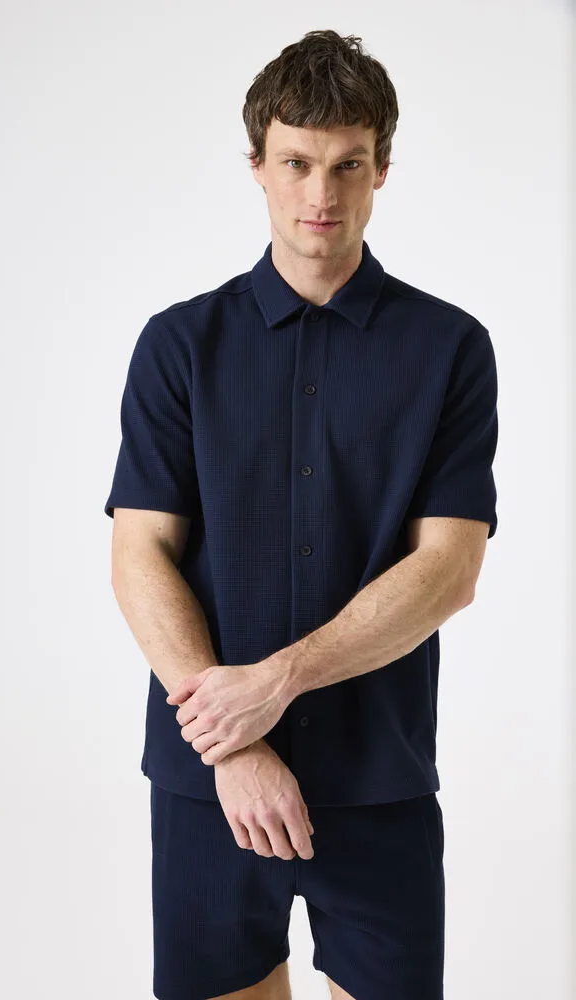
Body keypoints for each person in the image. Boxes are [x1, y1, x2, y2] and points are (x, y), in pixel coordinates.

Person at [104, 28, 498, 1000]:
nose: (320, 193)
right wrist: (234, 740)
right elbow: (139, 551)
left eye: (347, 164)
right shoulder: (178, 346)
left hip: (378, 774)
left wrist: (275, 683)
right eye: (295, 163)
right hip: (208, 780)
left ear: (381, 169)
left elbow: (449, 569)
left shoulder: (450, 348)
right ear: (257, 165)